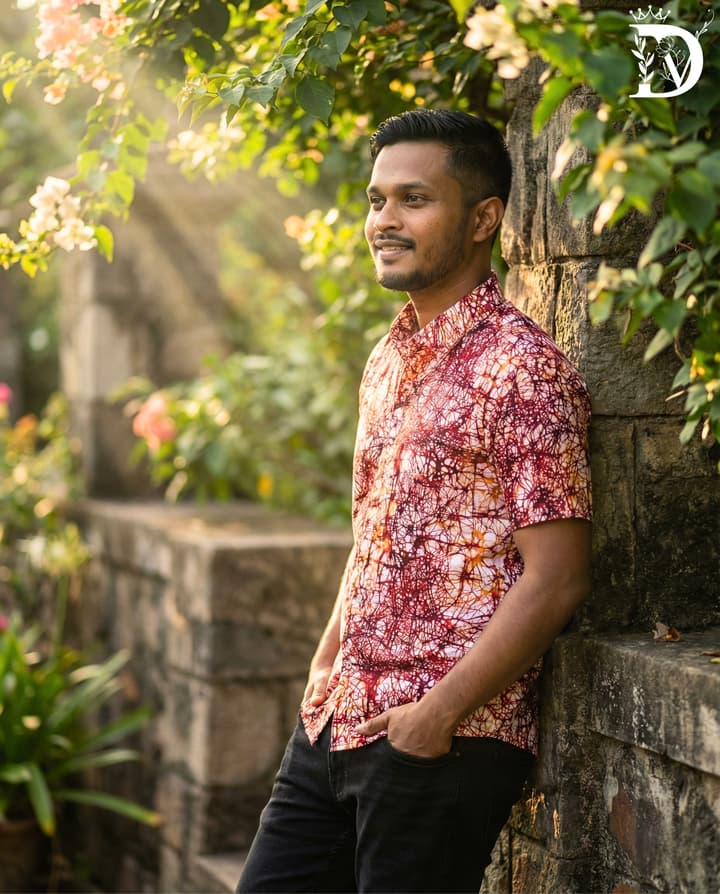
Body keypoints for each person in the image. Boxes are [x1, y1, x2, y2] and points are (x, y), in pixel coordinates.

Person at [237, 108, 592, 894]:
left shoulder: (524, 370)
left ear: (482, 220)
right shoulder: (386, 360)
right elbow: (373, 529)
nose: (384, 221)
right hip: (336, 719)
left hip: (441, 741)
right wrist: (326, 660)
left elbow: (558, 577)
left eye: (413, 200)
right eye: (375, 200)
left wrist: (435, 716)